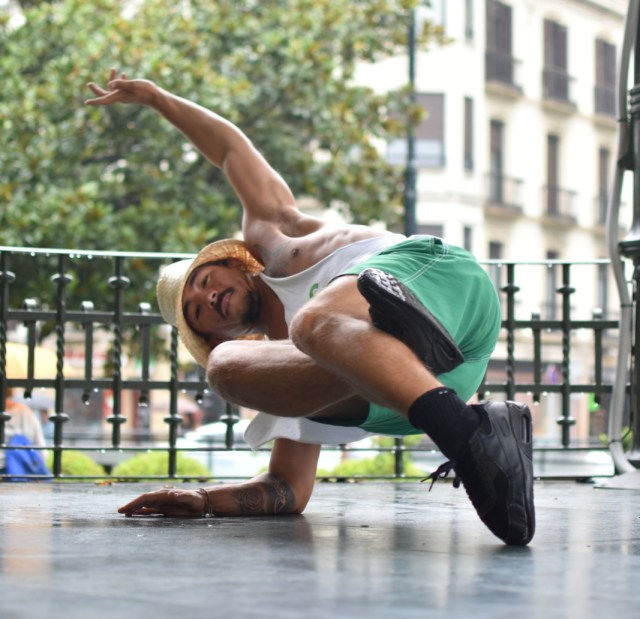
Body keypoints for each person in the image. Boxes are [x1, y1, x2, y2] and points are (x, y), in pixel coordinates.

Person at [86, 69, 535, 545]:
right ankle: (456, 414)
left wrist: (158, 98)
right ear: (217, 333)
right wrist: (203, 499)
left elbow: (230, 151)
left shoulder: (274, 235)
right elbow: (287, 489)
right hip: (441, 381)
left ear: (234, 264)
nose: (206, 297)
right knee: (227, 370)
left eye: (203, 280)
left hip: (447, 289)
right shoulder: (274, 373)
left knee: (312, 323)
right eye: (196, 312)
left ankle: (450, 416)